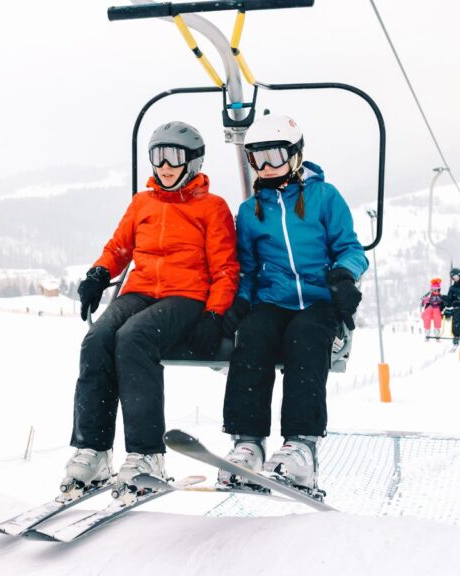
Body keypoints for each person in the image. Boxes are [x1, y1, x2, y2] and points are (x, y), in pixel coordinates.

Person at [62, 121, 239, 494]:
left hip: (186, 295)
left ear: (193, 161)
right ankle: (92, 449)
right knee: (97, 339)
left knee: (134, 338)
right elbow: (119, 248)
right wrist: (98, 273)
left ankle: (147, 455)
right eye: (157, 156)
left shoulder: (212, 208)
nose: (164, 165)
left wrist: (214, 313)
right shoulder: (142, 203)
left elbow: (225, 268)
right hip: (141, 290)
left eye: (173, 156)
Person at [218, 113, 367, 494]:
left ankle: (301, 445)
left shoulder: (324, 197)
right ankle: (247, 442)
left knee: (305, 338)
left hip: (319, 300)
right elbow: (249, 271)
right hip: (273, 300)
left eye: (275, 156)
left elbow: (351, 248)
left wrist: (344, 275)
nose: (267, 167)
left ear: (296, 155)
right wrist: (239, 304)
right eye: (257, 159)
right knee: (252, 336)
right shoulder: (251, 212)